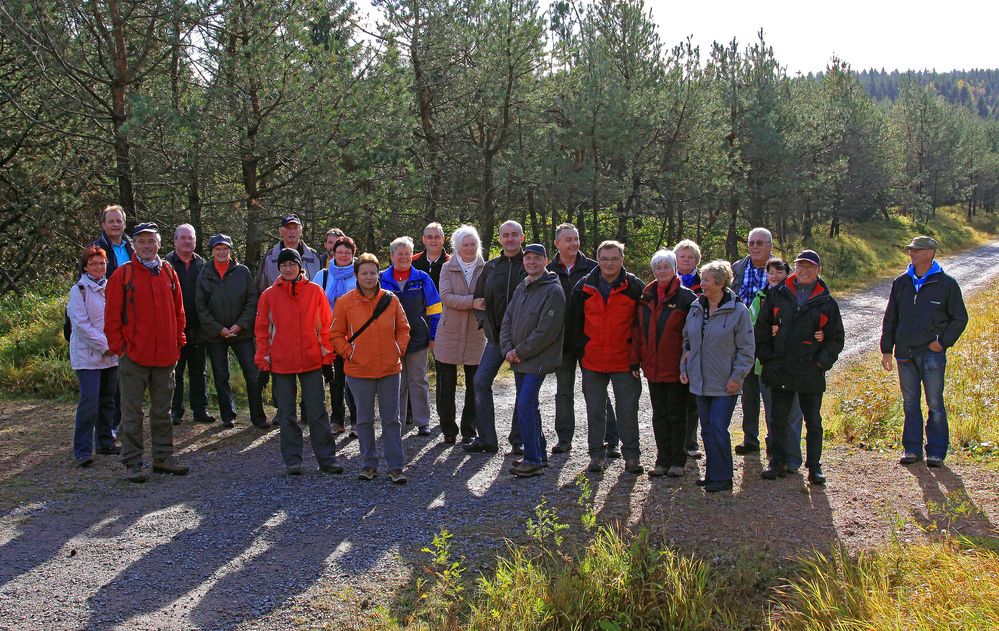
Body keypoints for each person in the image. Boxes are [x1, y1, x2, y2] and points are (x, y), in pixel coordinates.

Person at [104, 222, 189, 483]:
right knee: (132, 413)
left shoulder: (168, 272)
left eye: (151, 241)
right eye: (141, 241)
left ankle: (163, 458)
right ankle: (133, 462)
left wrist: (178, 343)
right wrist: (122, 349)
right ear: (135, 245)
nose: (147, 246)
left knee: (162, 412)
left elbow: (179, 313)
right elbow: (112, 318)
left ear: (159, 244)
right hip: (134, 358)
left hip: (165, 357)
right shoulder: (123, 275)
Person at [756, 250, 845, 485]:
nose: (804, 271)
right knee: (777, 419)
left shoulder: (826, 302)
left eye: (810, 267)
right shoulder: (776, 295)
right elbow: (761, 330)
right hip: (780, 368)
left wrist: (821, 362)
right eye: (800, 266)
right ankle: (778, 463)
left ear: (818, 270)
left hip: (810, 370)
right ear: (794, 268)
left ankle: (814, 467)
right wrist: (767, 359)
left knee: (813, 421)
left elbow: (836, 339)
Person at [880, 236, 968, 467]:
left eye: (917, 250)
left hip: (932, 353)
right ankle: (912, 450)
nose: (912, 253)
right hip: (904, 352)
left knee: (934, 402)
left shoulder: (946, 283)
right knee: (909, 402)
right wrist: (886, 349)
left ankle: (936, 452)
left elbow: (960, 318)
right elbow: (890, 317)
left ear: (930, 253)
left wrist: (942, 342)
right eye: (910, 250)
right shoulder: (901, 282)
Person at [254, 248, 343, 476]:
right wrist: (264, 364)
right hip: (282, 363)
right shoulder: (269, 296)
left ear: (299, 266)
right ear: (279, 268)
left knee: (317, 412)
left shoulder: (314, 291)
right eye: (283, 265)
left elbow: (325, 327)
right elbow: (263, 331)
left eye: (292, 264)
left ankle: (326, 459)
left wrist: (327, 359)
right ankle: (293, 460)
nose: (288, 268)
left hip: (312, 360)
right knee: (286, 413)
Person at [567, 240, 645, 475]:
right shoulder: (583, 286)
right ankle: (596, 456)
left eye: (614, 259)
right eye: (605, 259)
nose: (609, 263)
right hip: (592, 361)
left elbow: (642, 326)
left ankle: (631, 456)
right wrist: (583, 350)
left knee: (627, 411)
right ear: (598, 260)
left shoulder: (635, 286)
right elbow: (574, 324)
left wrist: (637, 357)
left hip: (624, 362)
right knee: (594, 411)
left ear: (622, 260)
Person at [332, 253, 411, 483]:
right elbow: (335, 335)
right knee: (364, 419)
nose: (369, 277)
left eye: (373, 273)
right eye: (364, 273)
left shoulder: (391, 300)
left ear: (379, 275)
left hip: (389, 368)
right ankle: (368, 464)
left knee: (391, 419)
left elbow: (403, 328)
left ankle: (395, 467)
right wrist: (351, 353)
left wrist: (398, 349)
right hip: (359, 370)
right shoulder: (345, 302)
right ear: (356, 275)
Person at [680, 260, 755, 493]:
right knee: (706, 429)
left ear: (721, 283)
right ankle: (712, 473)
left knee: (718, 427)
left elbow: (746, 349)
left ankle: (723, 477)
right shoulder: (695, 308)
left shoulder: (738, 311)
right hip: (700, 381)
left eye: (706, 280)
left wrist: (737, 377)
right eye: (702, 279)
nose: (702, 284)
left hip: (725, 383)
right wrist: (685, 368)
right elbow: (687, 342)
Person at [547, 223, 620, 456]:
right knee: (563, 391)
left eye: (576, 239)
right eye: (568, 239)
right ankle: (564, 439)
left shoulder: (593, 269)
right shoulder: (549, 271)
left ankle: (611, 440)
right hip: (562, 342)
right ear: (557, 243)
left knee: (596, 392)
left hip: (590, 342)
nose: (573, 243)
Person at [500, 244, 566, 477]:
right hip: (519, 358)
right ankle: (539, 453)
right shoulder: (523, 286)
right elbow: (507, 318)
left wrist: (520, 352)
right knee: (528, 404)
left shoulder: (553, 291)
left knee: (526, 403)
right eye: (528, 258)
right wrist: (507, 348)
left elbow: (546, 332)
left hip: (537, 359)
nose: (531, 262)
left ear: (546, 261)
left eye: (537, 259)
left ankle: (532, 459)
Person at [633, 250, 697, 478]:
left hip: (677, 369)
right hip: (652, 367)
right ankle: (662, 459)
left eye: (666, 267)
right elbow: (638, 332)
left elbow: (693, 336)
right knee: (659, 415)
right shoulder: (646, 295)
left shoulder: (687, 298)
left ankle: (678, 460)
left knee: (677, 415)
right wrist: (636, 361)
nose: (662, 271)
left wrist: (688, 363)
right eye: (658, 268)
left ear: (674, 269)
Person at [195, 234, 269, 430]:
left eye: (225, 248)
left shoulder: (242, 272)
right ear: (212, 251)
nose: (222, 252)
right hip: (215, 335)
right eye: (218, 248)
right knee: (221, 375)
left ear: (230, 250)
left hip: (241, 333)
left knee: (252, 374)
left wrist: (239, 325)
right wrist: (219, 329)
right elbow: (200, 306)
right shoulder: (204, 273)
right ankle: (228, 416)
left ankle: (258, 417)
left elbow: (252, 300)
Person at [464, 220, 525, 455]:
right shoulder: (491, 267)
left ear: (521, 237)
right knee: (480, 382)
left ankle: (518, 439)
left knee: (523, 389)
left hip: (522, 341)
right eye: (505, 235)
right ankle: (487, 438)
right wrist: (485, 323)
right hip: (497, 339)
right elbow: (479, 301)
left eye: (514, 235)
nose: (509, 239)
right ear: (500, 239)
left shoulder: (529, 263)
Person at [379, 236, 442, 437]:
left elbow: (435, 309)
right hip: (389, 339)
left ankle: (422, 421)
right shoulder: (381, 278)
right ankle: (395, 421)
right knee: (396, 381)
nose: (404, 257)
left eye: (407, 253)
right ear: (391, 256)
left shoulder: (422, 277)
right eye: (400, 253)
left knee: (418, 380)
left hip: (418, 337)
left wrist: (433, 336)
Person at [68, 246, 120, 466]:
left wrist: (113, 345)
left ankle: (105, 442)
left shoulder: (112, 287)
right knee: (89, 402)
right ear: (85, 266)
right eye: (94, 263)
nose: (99, 267)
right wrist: (104, 345)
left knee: (108, 400)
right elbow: (80, 324)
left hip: (111, 355)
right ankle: (82, 449)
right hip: (88, 356)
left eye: (102, 263)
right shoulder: (78, 289)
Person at [434, 225, 486, 445]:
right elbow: (445, 296)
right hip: (449, 331)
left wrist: (473, 302)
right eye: (465, 244)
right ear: (457, 246)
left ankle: (468, 428)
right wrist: (472, 302)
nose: (469, 248)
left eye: (473, 243)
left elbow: (489, 296)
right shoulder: (447, 268)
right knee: (446, 384)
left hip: (476, 332)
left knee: (475, 384)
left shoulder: (487, 268)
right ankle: (448, 428)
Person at [754, 258, 804, 472]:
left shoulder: (797, 297)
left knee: (793, 414)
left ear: (788, 273)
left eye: (779, 272)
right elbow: (754, 328)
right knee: (772, 414)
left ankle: (792, 459)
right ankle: (776, 457)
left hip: (795, 365)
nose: (774, 276)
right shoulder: (760, 298)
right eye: (770, 272)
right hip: (767, 365)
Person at [730, 227, 773, 455]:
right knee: (748, 393)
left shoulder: (779, 270)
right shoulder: (737, 268)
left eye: (760, 243)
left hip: (769, 341)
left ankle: (773, 439)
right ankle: (750, 439)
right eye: (751, 243)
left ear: (770, 246)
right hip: (742, 340)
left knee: (771, 393)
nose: (755, 247)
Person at [166, 224, 214, 426]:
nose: (187, 242)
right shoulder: (165, 264)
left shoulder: (202, 264)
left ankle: (200, 409)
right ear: (175, 240)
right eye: (183, 238)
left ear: (195, 242)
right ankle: (175, 410)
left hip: (198, 327)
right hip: (173, 327)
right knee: (175, 371)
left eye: (190, 239)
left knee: (198, 371)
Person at [314, 235, 359, 434]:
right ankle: (337, 420)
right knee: (335, 379)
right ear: (333, 253)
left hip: (354, 335)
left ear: (353, 255)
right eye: (339, 252)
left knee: (355, 379)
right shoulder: (322, 276)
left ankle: (357, 422)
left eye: (347, 253)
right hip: (329, 335)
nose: (343, 256)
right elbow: (313, 305)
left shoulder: (360, 274)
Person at [674, 238, 703, 459]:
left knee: (693, 396)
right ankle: (672, 441)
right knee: (673, 396)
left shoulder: (706, 282)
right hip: (671, 345)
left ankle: (691, 441)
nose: (685, 260)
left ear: (697, 261)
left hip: (698, 346)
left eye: (690, 256)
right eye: (682, 256)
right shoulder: (665, 280)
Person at [257, 214, 322, 292]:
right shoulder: (269, 258)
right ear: (280, 231)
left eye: (295, 228)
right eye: (288, 228)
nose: (292, 232)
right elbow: (260, 289)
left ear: (301, 231)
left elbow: (321, 289)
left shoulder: (314, 257)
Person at [91, 204, 134, 278]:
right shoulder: (95, 249)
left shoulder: (134, 247)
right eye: (111, 221)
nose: (115, 224)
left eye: (119, 221)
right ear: (103, 225)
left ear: (125, 224)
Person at [411, 222, 450, 289]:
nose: (433, 240)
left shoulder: (452, 263)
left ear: (443, 239)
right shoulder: (412, 262)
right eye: (429, 237)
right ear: (423, 239)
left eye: (437, 237)